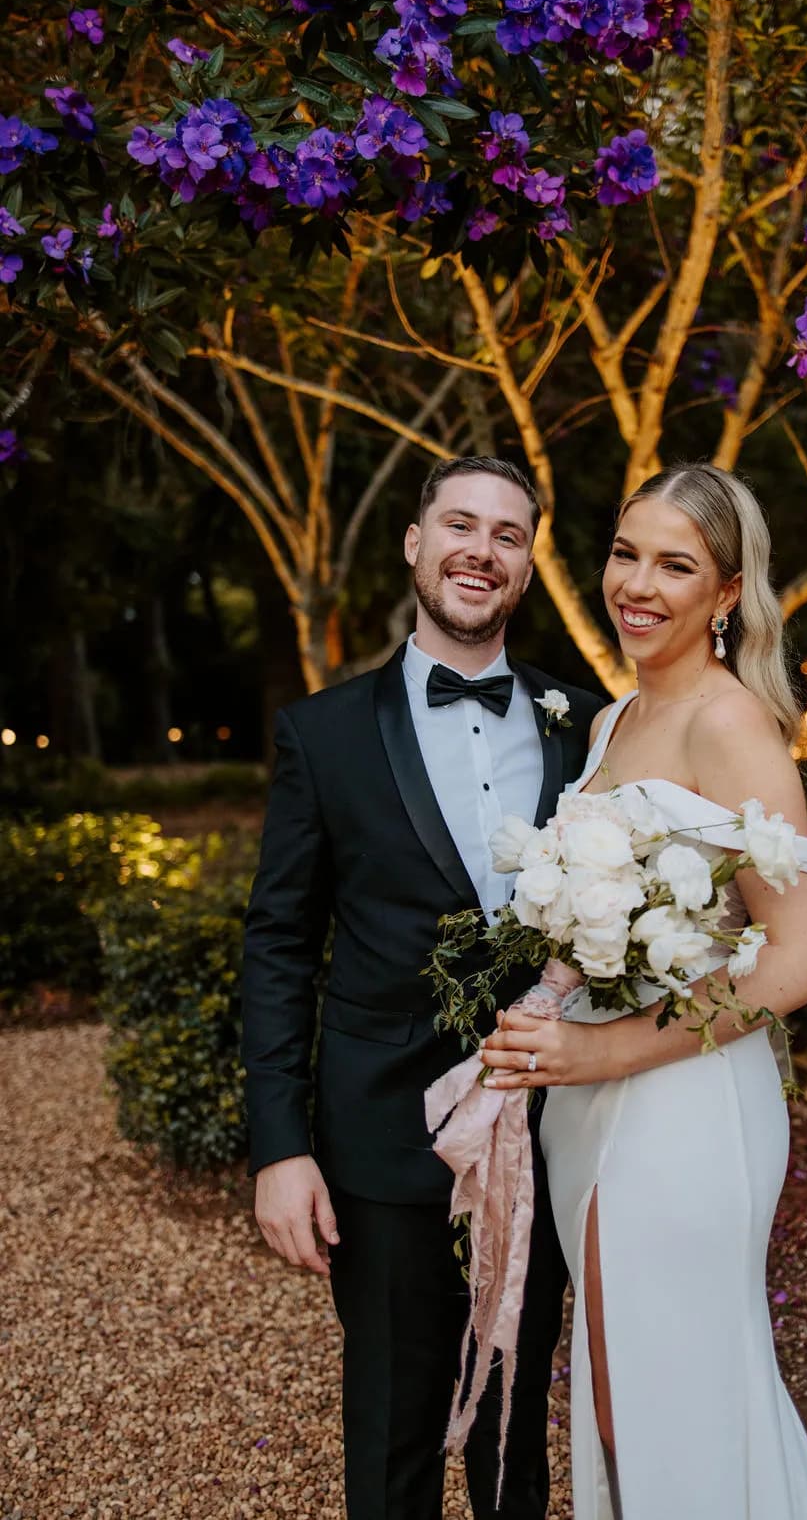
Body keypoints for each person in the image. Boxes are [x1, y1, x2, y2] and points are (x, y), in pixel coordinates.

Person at [240, 454, 604, 1520]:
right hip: (382, 1139)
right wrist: (279, 1144)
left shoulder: (588, 725)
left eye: (506, 534)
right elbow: (278, 943)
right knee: (392, 1437)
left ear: (527, 565)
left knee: (511, 1441)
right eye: (460, 523)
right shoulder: (325, 731)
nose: (478, 550)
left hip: (541, 1129)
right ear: (414, 542)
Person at [480, 462, 807, 1519]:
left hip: (681, 1103)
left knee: (666, 1399)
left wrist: (605, 1049)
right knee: (617, 1398)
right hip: (587, 1101)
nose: (637, 583)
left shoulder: (732, 726)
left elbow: (804, 955)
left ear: (726, 592)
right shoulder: (610, 721)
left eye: (674, 563)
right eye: (626, 551)